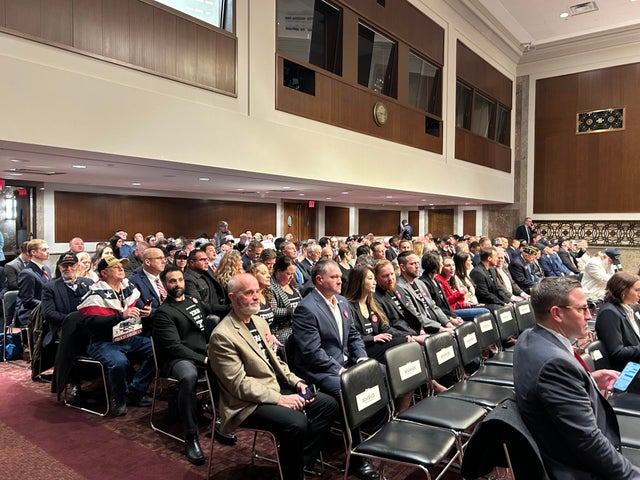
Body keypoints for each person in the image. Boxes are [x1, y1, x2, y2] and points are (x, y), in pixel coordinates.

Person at [209, 273, 338, 480]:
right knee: (295, 423)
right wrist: (280, 399)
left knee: (328, 405)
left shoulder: (259, 322)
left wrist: (296, 381)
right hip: (246, 403)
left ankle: (301, 461)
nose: (255, 297)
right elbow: (239, 385)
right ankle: (292, 473)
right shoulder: (222, 335)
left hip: (274, 386)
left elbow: (276, 363)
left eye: (257, 292)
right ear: (232, 297)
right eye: (248, 293)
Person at [514, 277, 639, 478]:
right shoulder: (554, 364)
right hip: (577, 465)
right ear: (557, 313)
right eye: (582, 309)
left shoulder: (529, 336)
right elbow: (587, 441)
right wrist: (632, 476)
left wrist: (589, 379)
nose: (589, 315)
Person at [292, 259, 379, 480]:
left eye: (340, 277)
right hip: (318, 371)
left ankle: (377, 433)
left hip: (344, 363)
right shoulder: (306, 308)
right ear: (319, 280)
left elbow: (354, 336)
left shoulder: (341, 301)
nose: (341, 280)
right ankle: (359, 457)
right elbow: (312, 353)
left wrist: (360, 359)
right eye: (334, 277)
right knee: (349, 389)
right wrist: (340, 370)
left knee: (381, 372)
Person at [78, 255, 155, 416]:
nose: (121, 268)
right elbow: (91, 322)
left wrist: (145, 311)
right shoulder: (95, 292)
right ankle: (118, 399)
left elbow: (138, 307)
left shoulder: (128, 286)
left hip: (129, 336)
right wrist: (120, 316)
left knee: (157, 350)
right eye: (115, 267)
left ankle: (135, 391)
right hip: (104, 341)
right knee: (119, 363)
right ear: (104, 273)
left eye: (121, 265)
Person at [152, 266, 211, 465]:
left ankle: (222, 423)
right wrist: (202, 359)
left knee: (230, 362)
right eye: (172, 281)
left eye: (180, 280)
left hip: (201, 353)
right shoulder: (163, 313)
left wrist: (237, 306)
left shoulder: (192, 301)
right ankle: (190, 436)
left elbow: (212, 309)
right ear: (165, 284)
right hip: (177, 360)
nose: (178, 284)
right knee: (188, 377)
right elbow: (175, 347)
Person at [344, 265, 409, 362]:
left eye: (374, 279)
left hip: (377, 346)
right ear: (358, 281)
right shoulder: (348, 307)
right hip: (361, 350)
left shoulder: (373, 304)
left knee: (406, 341)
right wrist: (372, 338)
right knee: (402, 345)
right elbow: (350, 338)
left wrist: (407, 336)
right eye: (370, 279)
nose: (374, 282)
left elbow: (385, 329)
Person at [41, 252, 93, 358]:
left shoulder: (89, 283)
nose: (68, 268)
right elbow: (49, 314)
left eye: (72, 265)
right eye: (65, 266)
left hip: (89, 323)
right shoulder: (50, 287)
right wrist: (74, 321)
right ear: (59, 267)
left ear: (77, 266)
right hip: (63, 326)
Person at [595, 272, 640, 371]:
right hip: (627, 371)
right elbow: (617, 353)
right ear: (623, 291)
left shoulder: (630, 307)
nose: (639, 294)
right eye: (637, 290)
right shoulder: (609, 313)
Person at [15, 239, 52, 327]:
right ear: (33, 252)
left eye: (48, 249)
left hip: (45, 309)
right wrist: (49, 305)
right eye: (44, 250)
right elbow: (27, 300)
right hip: (31, 313)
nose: (48, 252)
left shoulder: (47, 269)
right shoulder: (27, 273)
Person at [269, 255, 302, 343]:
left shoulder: (293, 285)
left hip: (298, 327)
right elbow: (273, 311)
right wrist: (291, 311)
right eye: (288, 274)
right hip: (282, 331)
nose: (291, 277)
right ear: (279, 271)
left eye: (293, 274)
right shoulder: (271, 288)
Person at [247, 262, 275, 327]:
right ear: (254, 276)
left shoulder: (267, 295)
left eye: (268, 273)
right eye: (264, 273)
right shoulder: (249, 299)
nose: (269, 276)